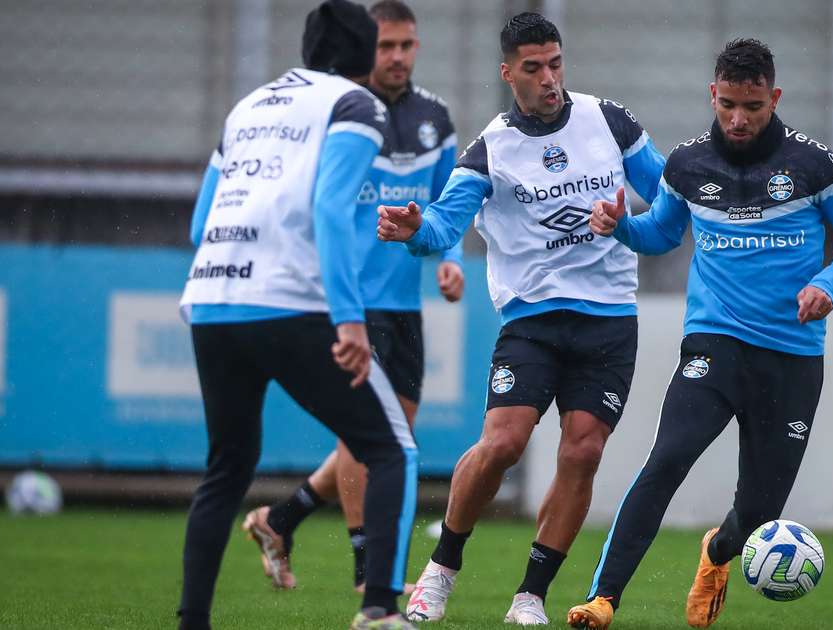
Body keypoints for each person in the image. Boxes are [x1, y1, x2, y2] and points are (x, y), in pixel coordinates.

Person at [564, 38, 833, 630]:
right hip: (714, 343)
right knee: (668, 458)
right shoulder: (686, 165)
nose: (738, 119)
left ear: (774, 98)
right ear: (713, 93)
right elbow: (661, 234)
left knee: (760, 512)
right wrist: (619, 228)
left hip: (791, 356)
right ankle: (603, 598)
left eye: (752, 107)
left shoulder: (814, 165)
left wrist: (829, 285)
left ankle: (716, 556)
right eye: (728, 103)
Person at [377, 12, 666, 625]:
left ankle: (530, 595)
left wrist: (640, 225)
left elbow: (668, 193)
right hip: (533, 319)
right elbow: (442, 226)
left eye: (556, 64)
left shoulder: (609, 122)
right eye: (533, 69)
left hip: (610, 316)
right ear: (509, 73)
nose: (549, 79)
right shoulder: (491, 149)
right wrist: (414, 233)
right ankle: (442, 567)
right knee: (504, 442)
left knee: (582, 453)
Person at [176, 2, 418, 628]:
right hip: (285, 302)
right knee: (390, 448)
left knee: (227, 466)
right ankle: (379, 609)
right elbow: (332, 211)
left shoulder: (248, 107)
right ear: (366, 54)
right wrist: (349, 321)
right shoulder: (356, 106)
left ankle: (192, 621)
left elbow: (201, 223)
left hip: (211, 300)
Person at [240, 0, 463, 594]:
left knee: (393, 436)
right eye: (385, 45)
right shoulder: (339, 113)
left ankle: (279, 519)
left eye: (405, 45)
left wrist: (450, 260)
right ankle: (370, 575)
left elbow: (448, 204)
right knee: (367, 437)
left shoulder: (435, 119)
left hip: (403, 304)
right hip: (347, 304)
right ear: (367, 49)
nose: (395, 57)